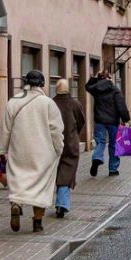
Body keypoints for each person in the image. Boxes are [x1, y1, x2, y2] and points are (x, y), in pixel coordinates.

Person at [0, 70, 64, 233]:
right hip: (43, 153)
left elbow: (5, 129)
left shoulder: (13, 102)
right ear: (42, 84)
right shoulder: (48, 103)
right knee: (41, 186)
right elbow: (56, 130)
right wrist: (58, 149)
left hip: (19, 150)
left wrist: (1, 150)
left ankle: (16, 204)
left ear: (25, 82)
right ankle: (37, 222)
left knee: (18, 180)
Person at [85, 71, 130, 176]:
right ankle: (113, 169)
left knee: (100, 142)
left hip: (99, 120)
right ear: (109, 78)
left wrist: (96, 78)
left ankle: (97, 158)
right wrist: (126, 119)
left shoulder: (96, 89)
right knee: (114, 144)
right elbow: (121, 106)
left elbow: (87, 86)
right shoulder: (115, 89)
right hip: (113, 122)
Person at [51, 79, 85, 219]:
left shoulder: (51, 104)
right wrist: (75, 134)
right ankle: (62, 204)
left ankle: (49, 202)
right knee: (67, 172)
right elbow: (81, 122)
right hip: (71, 143)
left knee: (55, 173)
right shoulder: (75, 104)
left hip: (52, 144)